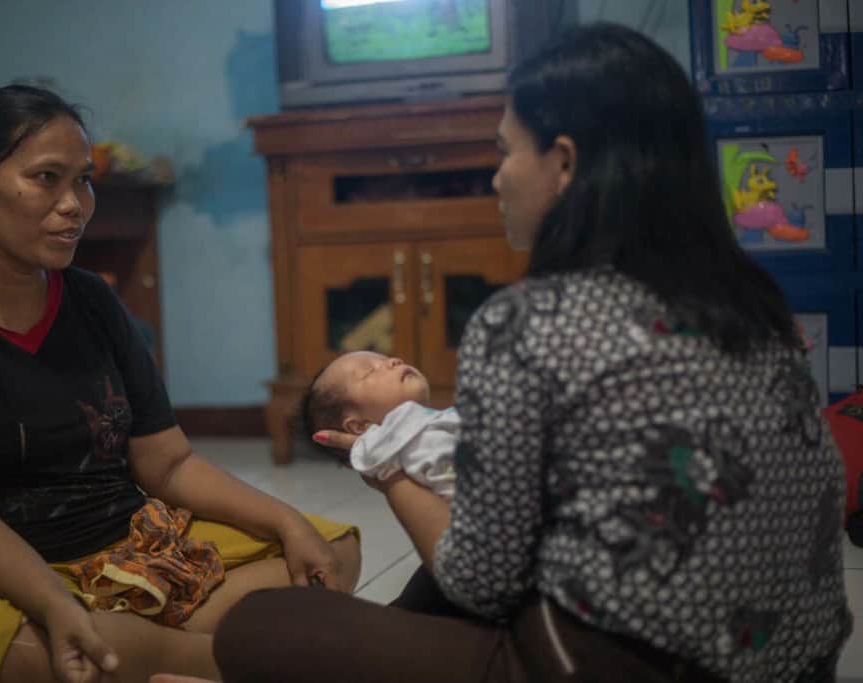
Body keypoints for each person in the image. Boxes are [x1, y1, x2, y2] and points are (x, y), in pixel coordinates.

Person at [202, 23, 852, 683]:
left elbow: (479, 583)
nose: (496, 178)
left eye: (505, 152)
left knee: (259, 626)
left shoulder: (527, 323)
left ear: (563, 162)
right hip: (801, 662)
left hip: (624, 668)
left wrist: (390, 473)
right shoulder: (753, 301)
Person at [0, 85, 360, 683]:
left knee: (331, 553)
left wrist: (287, 523)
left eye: (83, 180)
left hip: (114, 561)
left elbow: (167, 466)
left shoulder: (91, 299)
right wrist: (54, 604)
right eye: (46, 178)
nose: (74, 204)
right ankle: (231, 661)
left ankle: (151, 653)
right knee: (46, 657)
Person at [302, 350, 457, 498]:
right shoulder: (410, 451)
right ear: (360, 426)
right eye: (370, 371)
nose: (394, 361)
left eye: (386, 358)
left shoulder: (439, 422)